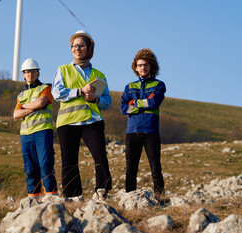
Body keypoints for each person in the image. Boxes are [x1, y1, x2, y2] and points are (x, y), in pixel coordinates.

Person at [52, 30, 112, 198]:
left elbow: (107, 102)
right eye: (74, 45)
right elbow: (57, 93)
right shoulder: (62, 70)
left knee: (100, 157)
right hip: (68, 122)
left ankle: (103, 191)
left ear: (89, 48)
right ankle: (72, 196)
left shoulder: (99, 75)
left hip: (92, 121)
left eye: (81, 45)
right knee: (69, 162)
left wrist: (95, 99)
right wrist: (80, 91)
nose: (77, 48)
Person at [120, 48, 166, 200]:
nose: (142, 68)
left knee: (155, 169)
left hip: (150, 132)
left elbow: (153, 103)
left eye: (146, 64)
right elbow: (123, 108)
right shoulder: (129, 87)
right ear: (135, 67)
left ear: (151, 66)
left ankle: (160, 198)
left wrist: (134, 103)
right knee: (130, 170)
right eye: (139, 65)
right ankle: (129, 199)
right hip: (132, 132)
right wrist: (142, 103)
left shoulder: (159, 85)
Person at [13, 58, 58, 200]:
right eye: (26, 72)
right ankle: (34, 200)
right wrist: (33, 106)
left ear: (38, 73)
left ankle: (51, 199)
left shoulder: (46, 88)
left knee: (46, 165)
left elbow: (42, 102)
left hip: (42, 132)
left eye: (32, 71)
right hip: (26, 135)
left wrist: (25, 106)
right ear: (23, 75)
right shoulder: (20, 95)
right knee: (30, 169)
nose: (30, 74)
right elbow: (16, 114)